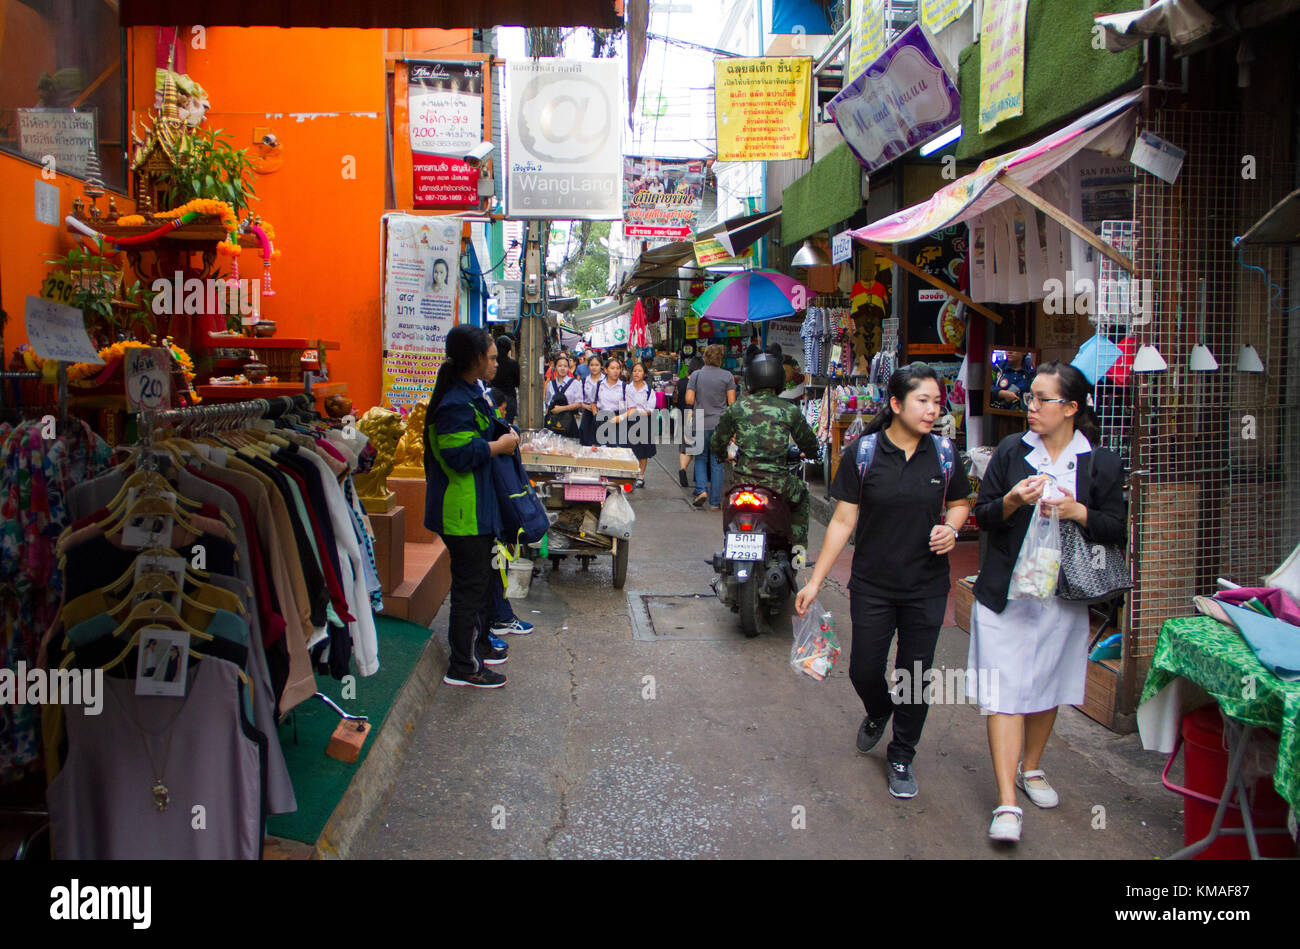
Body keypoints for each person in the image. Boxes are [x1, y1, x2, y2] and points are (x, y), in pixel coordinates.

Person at [795, 364, 971, 800]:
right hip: (872, 583)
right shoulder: (863, 453)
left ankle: (901, 755)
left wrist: (952, 527)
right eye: (922, 401)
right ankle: (878, 710)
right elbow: (842, 520)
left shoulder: (945, 455)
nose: (932, 410)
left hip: (926, 587)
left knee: (913, 674)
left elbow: (962, 503)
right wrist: (815, 580)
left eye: (937, 401)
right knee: (862, 669)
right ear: (896, 404)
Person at [970, 361, 1125, 843]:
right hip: (1005, 595)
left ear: (1072, 408)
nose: (1029, 405)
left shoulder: (1100, 462)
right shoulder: (1013, 452)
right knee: (1004, 692)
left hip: (1064, 595)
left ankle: (1031, 768)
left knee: (1047, 684)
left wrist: (1078, 510)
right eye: (1029, 397)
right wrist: (1013, 501)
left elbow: (1116, 527)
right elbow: (984, 514)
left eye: (1041, 399)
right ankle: (1006, 802)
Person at [424, 324, 518, 688]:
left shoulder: (470, 394)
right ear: (475, 359)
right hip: (462, 512)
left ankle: (477, 647)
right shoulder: (453, 404)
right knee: (469, 588)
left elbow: (483, 431)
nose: (496, 363)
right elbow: (459, 454)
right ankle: (462, 665)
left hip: (477, 508)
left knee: (477, 586)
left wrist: (502, 433)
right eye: (492, 357)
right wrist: (499, 447)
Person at [710, 354, 819, 548]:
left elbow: (717, 443)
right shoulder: (789, 410)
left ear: (750, 380)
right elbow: (810, 445)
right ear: (779, 379)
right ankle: (798, 552)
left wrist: (723, 455)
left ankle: (729, 546)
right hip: (778, 485)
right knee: (802, 494)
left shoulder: (737, 409)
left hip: (742, 482)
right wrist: (809, 453)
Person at [685, 344, 736, 511]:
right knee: (717, 461)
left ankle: (701, 490)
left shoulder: (696, 375)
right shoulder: (728, 376)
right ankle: (715, 503)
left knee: (700, 458)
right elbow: (732, 404)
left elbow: (689, 400)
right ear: (721, 358)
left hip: (700, 421)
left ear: (705, 357)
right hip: (720, 424)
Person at [619, 361, 658, 486]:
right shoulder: (626, 388)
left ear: (645, 374)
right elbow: (622, 405)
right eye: (635, 370)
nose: (636, 373)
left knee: (643, 451)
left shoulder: (649, 391)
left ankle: (641, 476)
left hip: (643, 422)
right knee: (629, 450)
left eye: (639, 371)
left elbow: (650, 410)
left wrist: (635, 411)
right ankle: (630, 474)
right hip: (628, 422)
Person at [674, 356, 704, 487]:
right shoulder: (703, 382)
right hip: (699, 416)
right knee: (697, 448)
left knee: (685, 447)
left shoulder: (681, 382)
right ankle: (698, 477)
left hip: (683, 416)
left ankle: (683, 469)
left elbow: (675, 399)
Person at [592, 356, 629, 447]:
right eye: (612, 368)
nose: (615, 371)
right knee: (601, 450)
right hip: (601, 419)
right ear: (605, 370)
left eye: (618, 368)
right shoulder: (599, 385)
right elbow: (593, 402)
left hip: (617, 420)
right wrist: (595, 414)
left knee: (616, 451)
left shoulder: (624, 387)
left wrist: (620, 418)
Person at [494, 335, 520, 424]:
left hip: (494, 398)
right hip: (509, 399)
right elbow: (518, 382)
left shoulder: (493, 363)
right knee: (508, 425)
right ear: (509, 348)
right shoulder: (513, 364)